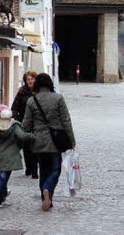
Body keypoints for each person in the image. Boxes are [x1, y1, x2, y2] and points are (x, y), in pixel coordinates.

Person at [22, 73, 76, 211]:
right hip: (55, 140)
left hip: (38, 141)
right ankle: (48, 189)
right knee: (55, 169)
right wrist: (71, 140)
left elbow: (26, 124)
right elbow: (66, 121)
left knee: (43, 171)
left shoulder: (31, 101)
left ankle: (46, 199)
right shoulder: (58, 98)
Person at [0, 104, 35, 209]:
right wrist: (33, 136)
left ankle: (3, 195)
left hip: (0, 156)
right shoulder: (14, 125)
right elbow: (22, 136)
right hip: (12, 155)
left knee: (3, 176)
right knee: (4, 177)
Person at [10, 70, 38, 178]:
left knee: (35, 146)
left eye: (32, 79)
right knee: (26, 147)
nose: (30, 81)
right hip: (24, 122)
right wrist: (17, 118)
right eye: (28, 79)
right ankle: (29, 168)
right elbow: (14, 108)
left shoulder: (39, 91)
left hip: (36, 123)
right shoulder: (22, 92)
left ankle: (35, 170)